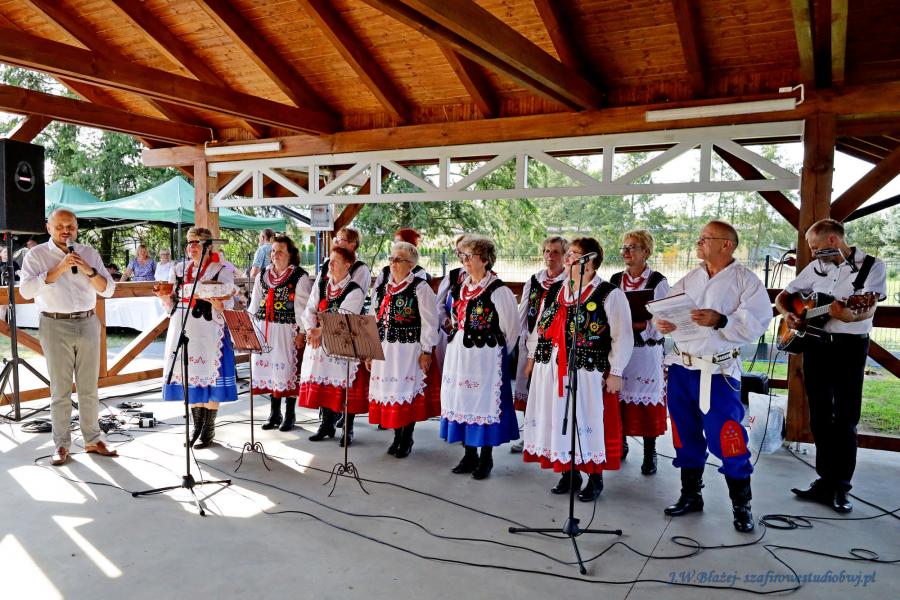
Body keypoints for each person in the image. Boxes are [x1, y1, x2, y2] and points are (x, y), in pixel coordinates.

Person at [655, 220, 771, 533]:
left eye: (705, 238)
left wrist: (721, 320)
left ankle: (741, 505)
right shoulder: (691, 277)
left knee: (728, 437)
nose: (699, 242)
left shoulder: (746, 280)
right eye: (700, 237)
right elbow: (667, 310)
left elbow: (759, 321)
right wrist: (664, 323)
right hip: (681, 368)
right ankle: (691, 495)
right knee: (684, 433)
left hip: (717, 373)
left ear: (726, 244)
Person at [777, 219, 886, 514]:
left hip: (850, 348)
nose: (812, 254)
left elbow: (868, 308)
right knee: (820, 415)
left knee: (846, 418)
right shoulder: (816, 267)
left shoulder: (872, 266)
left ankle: (841, 487)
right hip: (816, 346)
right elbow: (784, 296)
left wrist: (847, 315)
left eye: (815, 247)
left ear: (833, 241)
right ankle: (824, 480)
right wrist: (788, 315)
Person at [523, 237, 632, 501]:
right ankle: (568, 472)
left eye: (573, 254)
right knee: (559, 418)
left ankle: (594, 477)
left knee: (585, 419)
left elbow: (622, 335)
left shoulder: (608, 293)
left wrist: (616, 371)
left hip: (586, 370)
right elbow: (539, 327)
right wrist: (531, 357)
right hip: (551, 367)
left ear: (590, 261)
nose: (568, 258)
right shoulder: (556, 290)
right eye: (568, 253)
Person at [19, 208, 117, 466]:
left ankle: (93, 440)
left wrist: (89, 270)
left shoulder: (89, 253)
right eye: (60, 226)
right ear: (49, 228)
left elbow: (108, 290)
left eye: (70, 226)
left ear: (76, 228)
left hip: (88, 322)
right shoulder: (36, 255)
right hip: (54, 324)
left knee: (89, 387)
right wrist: (59, 268)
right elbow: (26, 291)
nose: (66, 231)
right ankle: (62, 444)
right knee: (60, 390)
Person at [440, 235, 519, 480]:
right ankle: (469, 454)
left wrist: (495, 353)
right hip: (460, 355)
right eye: (462, 255)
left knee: (483, 404)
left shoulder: (499, 290)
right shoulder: (461, 288)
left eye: (470, 256)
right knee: (463, 401)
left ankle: (486, 457)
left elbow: (511, 330)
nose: (464, 260)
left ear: (485, 260)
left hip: (485, 358)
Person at [155, 227, 238, 449]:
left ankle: (208, 429)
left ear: (207, 246)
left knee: (210, 376)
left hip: (210, 329)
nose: (191, 247)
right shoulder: (179, 269)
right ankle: (196, 426)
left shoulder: (221, 270)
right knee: (190, 374)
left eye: (197, 243)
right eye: (189, 242)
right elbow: (172, 303)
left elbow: (227, 303)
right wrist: (165, 297)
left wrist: (217, 302)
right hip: (185, 327)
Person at [367, 241, 441, 458]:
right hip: (384, 349)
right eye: (391, 259)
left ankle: (406, 437)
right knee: (389, 393)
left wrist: (426, 351)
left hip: (407, 351)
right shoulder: (382, 288)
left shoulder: (420, 287)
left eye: (398, 260)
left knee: (405, 393)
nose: (393, 263)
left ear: (411, 264)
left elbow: (430, 321)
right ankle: (397, 435)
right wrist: (370, 350)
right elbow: (373, 320)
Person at [610, 230, 670, 475]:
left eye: (632, 247)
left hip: (646, 351)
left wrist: (640, 325)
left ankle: (649, 452)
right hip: (621, 349)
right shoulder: (615, 279)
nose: (626, 251)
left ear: (646, 251)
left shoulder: (658, 281)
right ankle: (621, 443)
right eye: (624, 247)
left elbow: (664, 318)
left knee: (646, 402)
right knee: (619, 397)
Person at [299, 246, 368, 446]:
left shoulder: (354, 290)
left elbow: (344, 317)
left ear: (347, 265)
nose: (330, 265)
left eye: (335, 261)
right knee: (323, 383)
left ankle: (348, 428)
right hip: (319, 341)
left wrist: (319, 331)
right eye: (330, 261)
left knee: (345, 387)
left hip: (344, 343)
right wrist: (310, 329)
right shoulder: (322, 284)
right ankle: (326, 424)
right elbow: (309, 308)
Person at [510, 236, 568, 453]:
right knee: (530, 388)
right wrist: (522, 340)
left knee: (552, 391)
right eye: (546, 251)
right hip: (531, 343)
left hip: (557, 347)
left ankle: (552, 437)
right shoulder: (534, 280)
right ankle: (530, 435)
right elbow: (523, 312)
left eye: (555, 252)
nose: (549, 256)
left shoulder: (568, 281)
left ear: (565, 256)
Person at [249, 235, 312, 432]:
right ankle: (274, 413)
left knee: (287, 371)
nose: (275, 255)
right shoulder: (262, 276)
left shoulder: (299, 276)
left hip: (287, 331)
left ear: (290, 255)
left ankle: (290, 414)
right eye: (273, 251)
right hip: (264, 329)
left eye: (280, 251)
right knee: (270, 372)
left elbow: (303, 308)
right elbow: (254, 304)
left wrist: (302, 332)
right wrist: (249, 328)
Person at [434, 234, 469, 370]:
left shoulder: (489, 278)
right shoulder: (453, 276)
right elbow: (439, 303)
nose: (460, 255)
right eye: (457, 251)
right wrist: (445, 320)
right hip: (450, 331)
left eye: (462, 251)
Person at [371, 228, 431, 293]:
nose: (395, 246)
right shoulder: (385, 271)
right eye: (395, 243)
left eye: (399, 243)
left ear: (410, 247)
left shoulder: (419, 273)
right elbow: (374, 295)